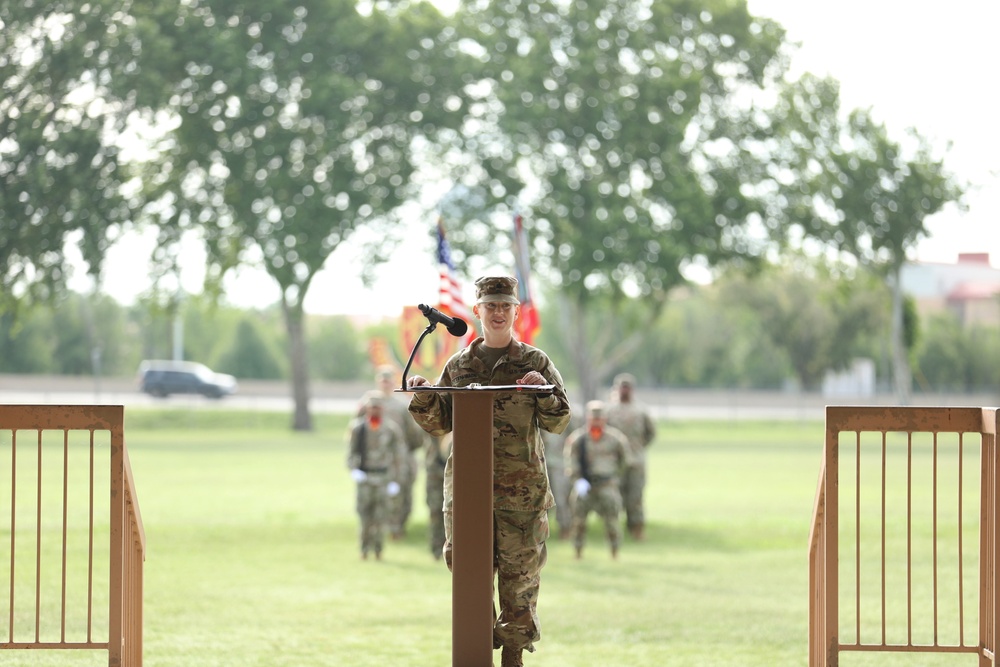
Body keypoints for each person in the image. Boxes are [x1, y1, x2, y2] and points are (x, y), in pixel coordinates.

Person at [407, 275, 572, 667]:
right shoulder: (460, 366)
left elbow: (560, 421)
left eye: (505, 306)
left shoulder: (535, 362)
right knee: (470, 583)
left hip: (521, 498)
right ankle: (474, 652)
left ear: (516, 311)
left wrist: (542, 392)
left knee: (520, 586)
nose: (498, 313)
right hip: (467, 496)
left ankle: (513, 656)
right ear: (477, 311)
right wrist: (423, 395)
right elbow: (439, 424)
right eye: (490, 306)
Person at [364, 365, 427, 540]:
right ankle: (375, 526)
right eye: (382, 381)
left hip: (399, 456)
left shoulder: (402, 405)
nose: (385, 384)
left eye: (388, 380)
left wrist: (407, 452)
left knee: (401, 491)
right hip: (374, 457)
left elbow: (414, 434)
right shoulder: (368, 403)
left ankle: (397, 526)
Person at [564, 400, 631, 559]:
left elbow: (625, 460)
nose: (596, 421)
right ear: (588, 418)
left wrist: (614, 477)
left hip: (607, 484)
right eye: (593, 418)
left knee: (612, 521)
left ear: (604, 419)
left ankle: (615, 552)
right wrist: (577, 480)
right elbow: (571, 462)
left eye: (599, 418)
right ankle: (578, 552)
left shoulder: (615, 439)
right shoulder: (578, 439)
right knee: (579, 521)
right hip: (585, 485)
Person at [347, 391, 408, 561]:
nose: (374, 410)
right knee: (364, 515)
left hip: (383, 477)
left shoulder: (391, 429)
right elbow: (351, 453)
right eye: (371, 407)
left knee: (381, 516)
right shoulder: (358, 428)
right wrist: (354, 470)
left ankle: (379, 550)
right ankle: (364, 548)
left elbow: (399, 456)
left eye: (377, 407)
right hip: (365, 477)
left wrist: (396, 480)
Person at [605, 373, 657, 540]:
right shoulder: (609, 411)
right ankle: (613, 530)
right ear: (617, 388)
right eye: (622, 386)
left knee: (635, 496)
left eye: (627, 387)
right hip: (615, 462)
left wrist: (638, 448)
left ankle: (636, 528)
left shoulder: (641, 411)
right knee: (614, 496)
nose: (624, 390)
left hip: (636, 461)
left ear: (632, 389)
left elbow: (650, 434)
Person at [425, 433, 452, 560]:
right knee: (435, 512)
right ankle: (436, 550)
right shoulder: (433, 430)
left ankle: (451, 550)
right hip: (435, 475)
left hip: (452, 474)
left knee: (452, 513)